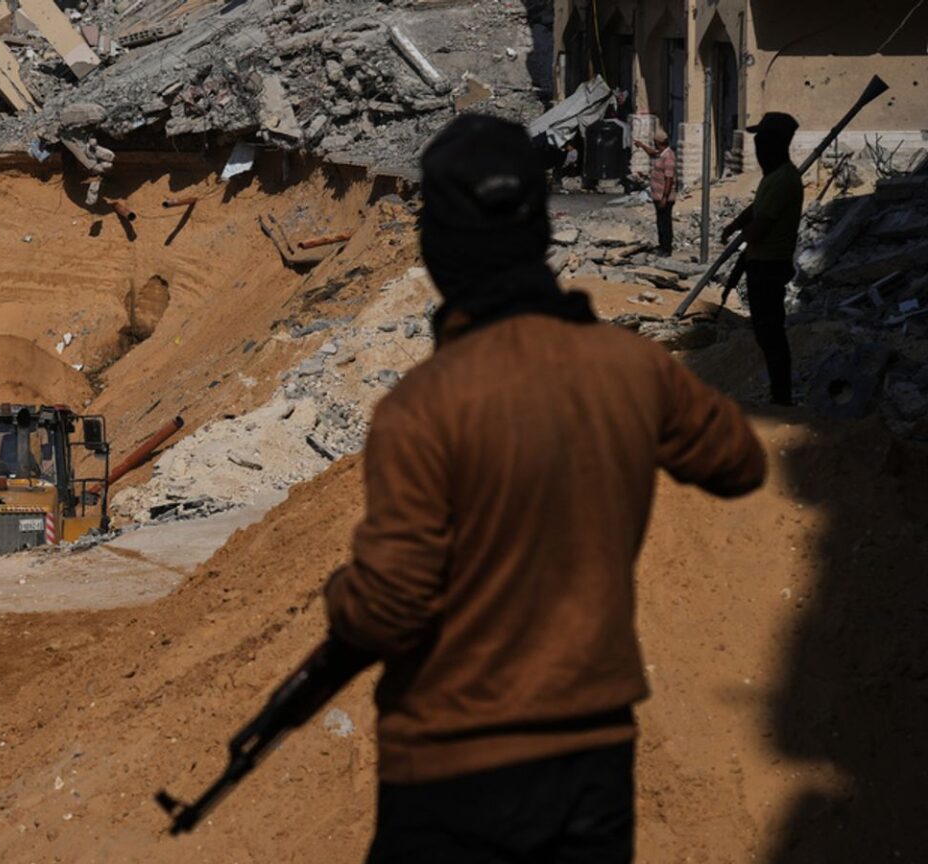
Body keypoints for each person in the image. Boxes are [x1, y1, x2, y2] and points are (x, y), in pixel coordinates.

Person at [321, 114, 767, 863]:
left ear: (443, 247)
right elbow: (737, 463)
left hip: (456, 759)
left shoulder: (424, 408)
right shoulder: (632, 369)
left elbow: (390, 607)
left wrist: (341, 595)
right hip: (591, 755)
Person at [722, 112, 804, 406]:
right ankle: (778, 392)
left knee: (771, 334)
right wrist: (733, 226)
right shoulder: (773, 178)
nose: (756, 151)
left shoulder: (783, 180)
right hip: (761, 263)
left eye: (760, 144)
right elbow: (755, 211)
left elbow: (759, 227)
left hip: (770, 266)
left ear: (772, 146)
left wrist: (741, 236)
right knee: (766, 332)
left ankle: (781, 397)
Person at [635, 128, 677, 256]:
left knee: (665, 222)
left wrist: (665, 197)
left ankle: (666, 248)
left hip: (665, 197)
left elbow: (669, 179)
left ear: (658, 142)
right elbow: (653, 153)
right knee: (660, 221)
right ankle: (661, 245)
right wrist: (642, 146)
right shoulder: (662, 153)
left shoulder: (669, 156)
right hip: (657, 195)